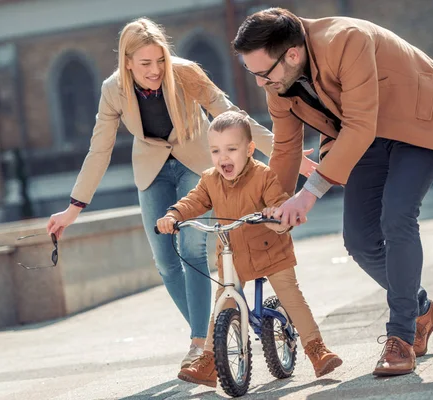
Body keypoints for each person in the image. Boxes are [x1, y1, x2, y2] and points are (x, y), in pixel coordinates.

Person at [232, 8, 433, 376]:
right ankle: (421, 309)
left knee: (397, 215)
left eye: (263, 73)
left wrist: (309, 194)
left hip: (417, 122)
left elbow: (359, 123)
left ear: (292, 54)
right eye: (250, 73)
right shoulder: (277, 84)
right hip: (364, 140)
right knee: (360, 240)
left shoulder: (347, 40)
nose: (258, 83)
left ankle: (401, 338)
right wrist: (272, 208)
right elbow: (286, 148)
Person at [46, 18, 294, 372]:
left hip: (194, 163)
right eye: (145, 63)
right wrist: (74, 207)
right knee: (165, 261)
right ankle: (208, 334)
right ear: (127, 61)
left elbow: (230, 115)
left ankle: (200, 345)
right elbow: (99, 150)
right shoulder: (113, 90)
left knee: (192, 248)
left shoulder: (186, 74)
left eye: (159, 60)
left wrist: (286, 155)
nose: (155, 70)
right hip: (152, 172)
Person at [156, 111, 342, 387]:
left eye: (231, 149)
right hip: (233, 255)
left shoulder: (263, 175)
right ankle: (209, 361)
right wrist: (173, 215)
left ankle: (316, 349)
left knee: (290, 294)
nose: (223, 157)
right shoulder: (210, 180)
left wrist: (276, 215)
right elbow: (194, 201)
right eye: (216, 150)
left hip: (270, 249)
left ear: (249, 149)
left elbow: (279, 204)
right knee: (223, 304)